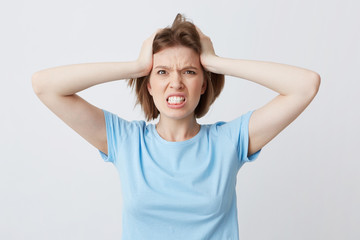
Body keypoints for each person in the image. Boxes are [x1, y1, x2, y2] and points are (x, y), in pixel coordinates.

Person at [32, 13, 320, 240]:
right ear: (150, 84)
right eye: (162, 72)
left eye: (189, 71)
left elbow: (305, 86)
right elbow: (45, 86)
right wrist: (135, 67)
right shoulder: (126, 141)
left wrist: (215, 61)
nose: (176, 82)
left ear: (204, 82)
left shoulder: (228, 142)